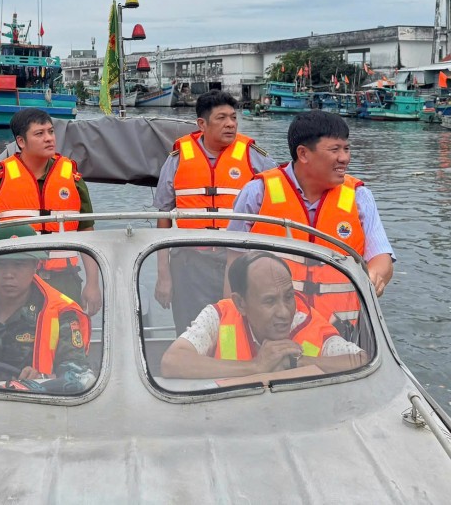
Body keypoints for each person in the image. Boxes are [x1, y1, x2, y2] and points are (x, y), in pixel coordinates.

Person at [228, 110, 394, 329]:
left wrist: (376, 275)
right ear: (303, 154)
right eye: (335, 149)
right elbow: (234, 262)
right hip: (275, 330)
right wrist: (233, 321)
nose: (344, 158)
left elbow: (381, 257)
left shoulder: (359, 196)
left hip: (342, 330)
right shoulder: (257, 193)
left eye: (346, 148)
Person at [153, 90, 275, 336]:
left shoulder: (254, 156)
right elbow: (163, 215)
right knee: (191, 330)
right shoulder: (179, 157)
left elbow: (278, 202)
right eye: (221, 118)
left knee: (238, 330)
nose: (230, 123)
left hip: (241, 262)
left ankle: (233, 372)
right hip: (190, 264)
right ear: (202, 124)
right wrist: (163, 275)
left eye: (233, 117)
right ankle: (192, 371)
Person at [160, 251, 365, 379]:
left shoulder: (307, 321)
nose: (284, 312)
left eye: (288, 297)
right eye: (270, 301)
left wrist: (295, 363)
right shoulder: (218, 315)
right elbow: (172, 362)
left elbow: (362, 360)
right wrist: (256, 366)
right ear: (240, 303)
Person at [0, 108, 101, 312]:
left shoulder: (73, 178)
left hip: (64, 281)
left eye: (51, 132)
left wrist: (93, 284)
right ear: (21, 142)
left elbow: (87, 233)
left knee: (65, 340)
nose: (49, 138)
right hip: (13, 284)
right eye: (39, 134)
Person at [0, 225, 94, 391]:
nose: (9, 274)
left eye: (19, 264)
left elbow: (80, 377)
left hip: (30, 406)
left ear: (35, 265)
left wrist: (42, 381)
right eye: (1, 264)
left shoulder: (61, 313)